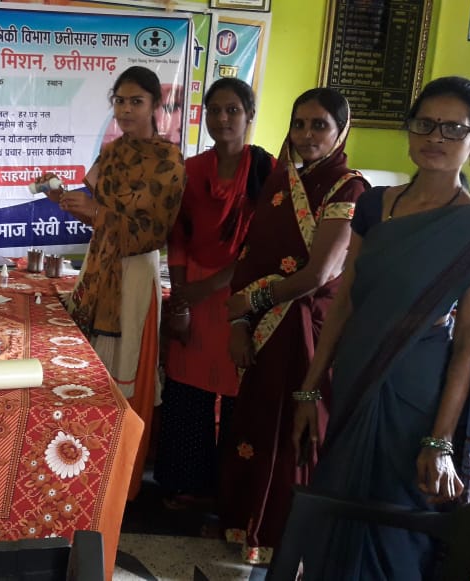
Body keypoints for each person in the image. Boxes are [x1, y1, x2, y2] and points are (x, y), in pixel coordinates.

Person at [291, 77, 470, 580]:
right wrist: (309, 390)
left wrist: (440, 442)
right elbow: (345, 302)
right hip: (353, 377)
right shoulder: (375, 205)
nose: (435, 137)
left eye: (453, 128)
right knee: (337, 502)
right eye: (424, 124)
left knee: (394, 522)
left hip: (414, 396)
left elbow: (467, 345)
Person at [220, 88, 369, 564]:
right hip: (264, 331)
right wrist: (239, 320)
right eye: (299, 124)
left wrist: (253, 301)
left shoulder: (349, 188)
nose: (306, 135)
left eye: (319, 125)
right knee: (255, 426)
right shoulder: (282, 181)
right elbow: (251, 257)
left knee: (293, 435)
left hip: (309, 331)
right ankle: (245, 525)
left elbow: (320, 274)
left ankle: (282, 542)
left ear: (341, 131)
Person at [37, 66, 185, 498]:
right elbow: (98, 215)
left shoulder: (168, 161)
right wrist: (62, 198)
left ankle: (120, 484)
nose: (125, 109)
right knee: (89, 373)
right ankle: (83, 476)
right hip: (99, 268)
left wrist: (96, 213)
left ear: (156, 105)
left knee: (123, 375)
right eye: (119, 101)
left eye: (136, 101)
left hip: (134, 276)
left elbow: (152, 232)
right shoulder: (113, 153)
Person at [153, 78, 275, 507]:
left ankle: (231, 492)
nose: (222, 119)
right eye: (215, 110)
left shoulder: (267, 171)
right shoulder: (192, 170)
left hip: (242, 294)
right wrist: (182, 295)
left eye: (233, 110)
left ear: (249, 115)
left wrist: (208, 286)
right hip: (192, 292)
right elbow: (178, 236)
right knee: (187, 389)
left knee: (239, 394)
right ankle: (187, 484)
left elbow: (265, 245)